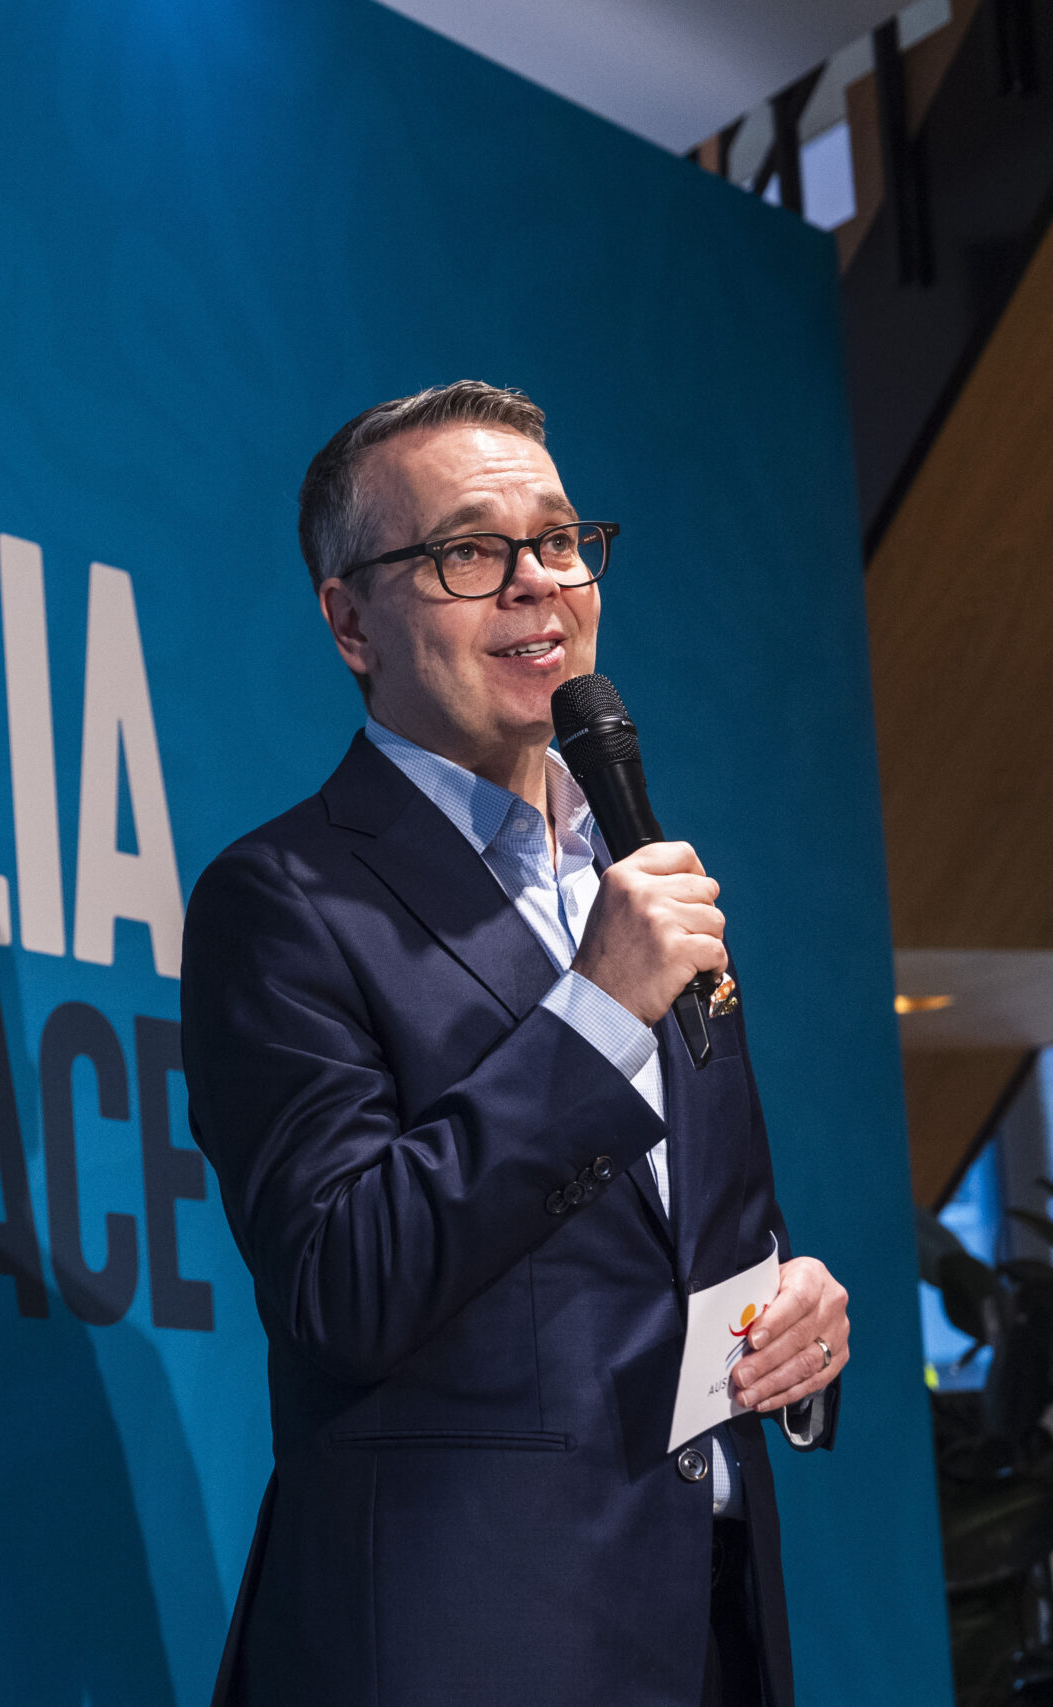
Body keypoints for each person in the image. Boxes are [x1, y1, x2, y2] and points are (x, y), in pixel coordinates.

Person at [180, 383, 851, 1707]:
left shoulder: (641, 871)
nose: (539, 586)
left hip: (704, 1635)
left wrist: (794, 1312)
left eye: (558, 542)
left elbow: (700, 1234)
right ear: (349, 619)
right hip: (463, 1645)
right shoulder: (286, 899)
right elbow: (343, 1282)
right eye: (468, 553)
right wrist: (595, 1010)